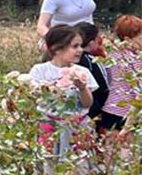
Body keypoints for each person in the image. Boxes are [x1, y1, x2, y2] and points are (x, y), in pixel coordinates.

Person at [28, 24, 98, 156]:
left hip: (77, 127)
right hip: (49, 126)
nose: (80, 50)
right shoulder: (40, 71)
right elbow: (33, 98)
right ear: (56, 49)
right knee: (49, 164)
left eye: (81, 46)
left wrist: (82, 88)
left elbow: (87, 103)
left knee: (77, 166)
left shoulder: (82, 71)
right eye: (74, 46)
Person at [100, 15, 142, 132]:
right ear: (128, 39)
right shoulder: (137, 60)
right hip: (131, 114)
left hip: (110, 109)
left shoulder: (112, 55)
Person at [74, 22, 109, 124]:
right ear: (92, 42)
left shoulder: (70, 60)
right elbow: (104, 86)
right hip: (94, 110)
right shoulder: (92, 61)